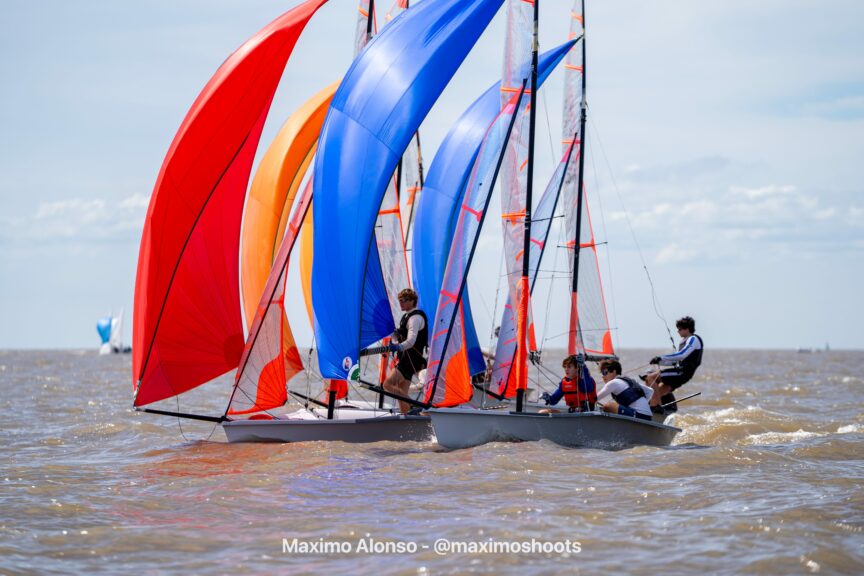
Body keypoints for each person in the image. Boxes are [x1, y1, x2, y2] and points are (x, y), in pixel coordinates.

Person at [382, 288, 427, 414]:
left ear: (412, 301)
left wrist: (398, 347)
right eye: (400, 300)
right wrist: (391, 333)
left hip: (410, 360)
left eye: (404, 300)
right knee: (401, 394)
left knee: (387, 385)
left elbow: (411, 341)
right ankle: (406, 418)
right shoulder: (406, 317)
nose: (401, 303)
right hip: (408, 360)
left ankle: (414, 405)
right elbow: (399, 337)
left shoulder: (415, 318)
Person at [644, 316, 703, 410]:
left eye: (679, 329)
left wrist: (661, 357)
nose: (678, 331)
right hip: (681, 372)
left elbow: (682, 355)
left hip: (683, 373)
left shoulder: (693, 339)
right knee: (659, 391)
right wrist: (659, 361)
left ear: (687, 329)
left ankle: (655, 408)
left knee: (650, 377)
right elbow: (676, 361)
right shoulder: (683, 341)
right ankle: (657, 410)